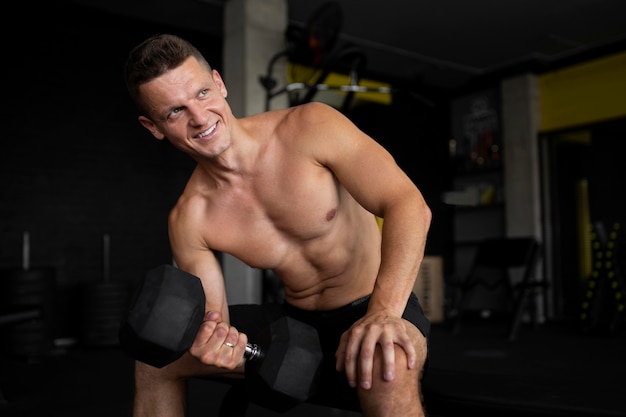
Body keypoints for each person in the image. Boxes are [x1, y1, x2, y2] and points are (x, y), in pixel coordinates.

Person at [124, 33, 432, 417]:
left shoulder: (309, 127)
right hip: (294, 324)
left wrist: (384, 311)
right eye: (174, 112)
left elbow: (407, 204)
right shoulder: (191, 217)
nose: (199, 118)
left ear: (219, 83)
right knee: (158, 359)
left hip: (376, 302)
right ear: (153, 127)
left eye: (202, 94)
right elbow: (215, 320)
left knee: (384, 363)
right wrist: (217, 343)